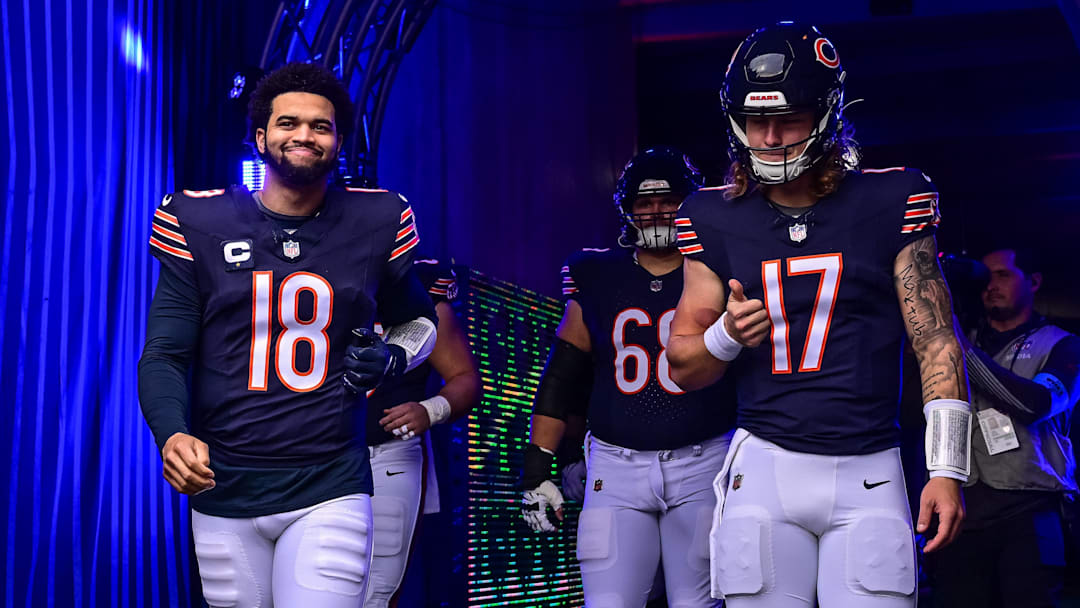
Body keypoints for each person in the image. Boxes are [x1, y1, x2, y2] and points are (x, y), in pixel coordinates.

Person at [666, 22, 970, 606]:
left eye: (790, 119)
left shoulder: (892, 199)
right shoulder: (711, 216)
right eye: (758, 120)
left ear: (827, 115)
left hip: (870, 468)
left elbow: (936, 341)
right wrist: (727, 336)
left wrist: (947, 466)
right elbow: (682, 366)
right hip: (764, 465)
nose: (772, 137)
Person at [137, 62, 438, 608]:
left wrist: (392, 358)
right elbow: (164, 352)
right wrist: (171, 434)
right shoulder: (198, 219)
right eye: (288, 123)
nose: (303, 135)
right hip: (224, 483)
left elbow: (419, 322)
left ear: (339, 139)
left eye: (321, 126)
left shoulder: (378, 217)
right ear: (261, 137)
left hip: (330, 480)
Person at [521, 148, 736, 607]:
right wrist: (538, 465)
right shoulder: (596, 273)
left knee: (699, 604)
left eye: (670, 200)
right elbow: (564, 373)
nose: (657, 211)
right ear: (627, 209)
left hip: (703, 460)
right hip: (616, 467)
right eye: (645, 202)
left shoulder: (718, 269)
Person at [927, 247, 1080, 607]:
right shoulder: (965, 338)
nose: (991, 285)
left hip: (1029, 510)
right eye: (985, 277)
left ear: (1034, 281)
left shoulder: (1063, 345)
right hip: (962, 513)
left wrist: (958, 350)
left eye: (1003, 275)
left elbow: (1036, 404)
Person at [364, 258, 480, 608]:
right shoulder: (301, 266)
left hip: (385, 452)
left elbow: (466, 379)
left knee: (376, 591)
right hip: (310, 451)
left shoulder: (419, 284)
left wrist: (430, 410)